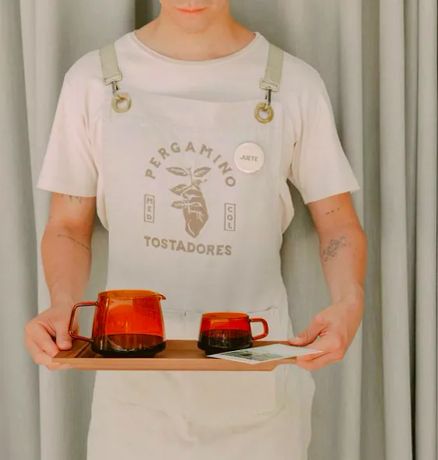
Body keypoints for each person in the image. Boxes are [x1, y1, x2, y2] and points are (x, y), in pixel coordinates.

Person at [23, 1, 367, 458]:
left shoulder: (293, 84)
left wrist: (349, 303)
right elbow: (67, 225)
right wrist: (61, 306)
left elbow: (337, 222)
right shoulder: (91, 81)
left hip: (257, 393)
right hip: (133, 398)